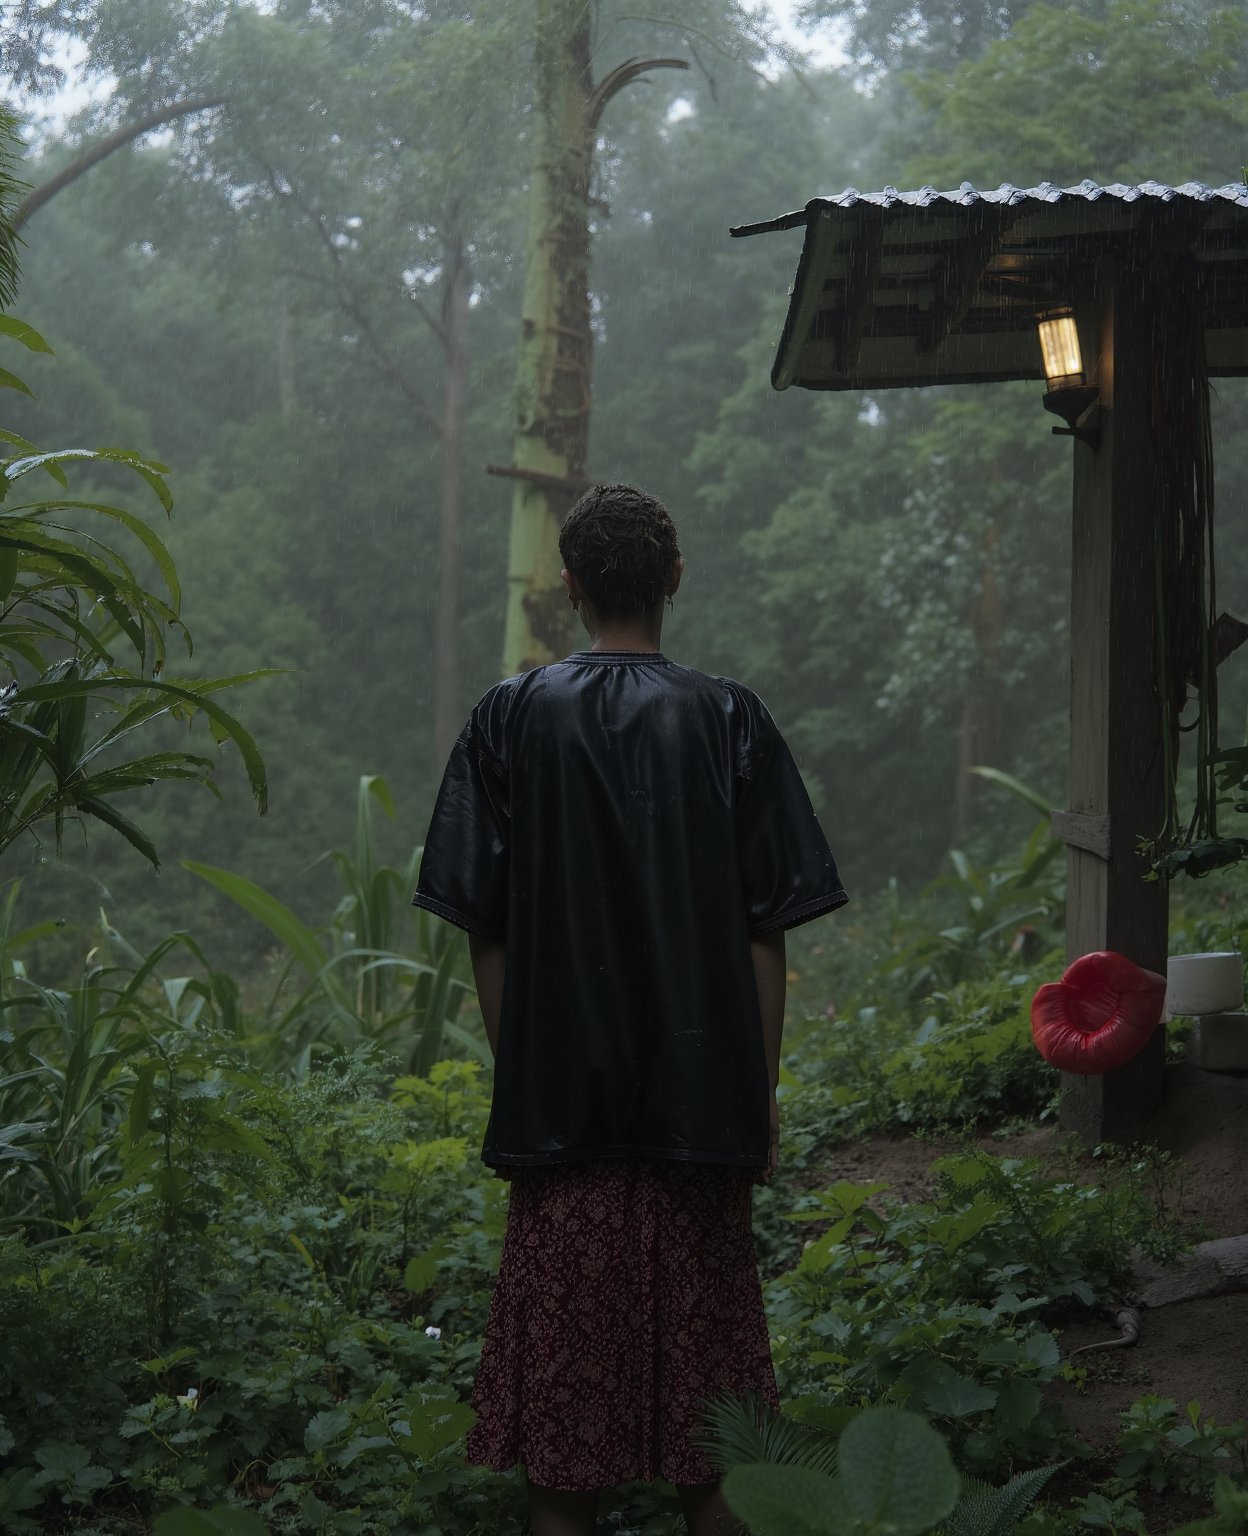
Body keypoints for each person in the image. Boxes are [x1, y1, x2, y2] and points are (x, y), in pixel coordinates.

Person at [413, 483, 846, 1536]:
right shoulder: (731, 717)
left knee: (564, 1458)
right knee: (717, 1449)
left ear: (568, 586)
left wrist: (529, 1070)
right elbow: (763, 929)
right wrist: (757, 1089)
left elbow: (486, 927)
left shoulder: (507, 717)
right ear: (675, 579)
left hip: (566, 1140)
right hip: (702, 1124)